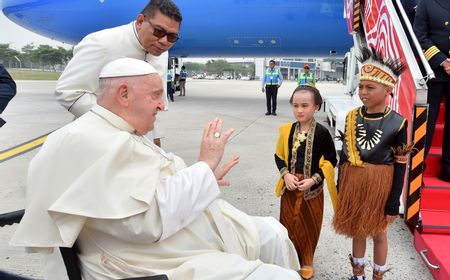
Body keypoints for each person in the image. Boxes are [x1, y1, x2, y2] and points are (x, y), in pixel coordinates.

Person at [11, 58, 301, 280]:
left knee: (273, 232)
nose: (163, 106)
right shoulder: (90, 141)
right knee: (281, 275)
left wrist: (203, 178)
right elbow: (145, 223)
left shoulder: (111, 130)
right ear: (123, 94)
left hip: (160, 242)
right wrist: (204, 167)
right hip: (140, 261)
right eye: (155, 95)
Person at [55, 0, 182, 147]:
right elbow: (68, 92)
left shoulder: (160, 51)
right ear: (140, 21)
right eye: (158, 31)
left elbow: (158, 97)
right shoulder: (102, 43)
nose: (164, 42)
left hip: (138, 140)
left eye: (172, 37)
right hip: (96, 136)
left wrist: (156, 138)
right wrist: (120, 122)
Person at [332, 47, 408, 280]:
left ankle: (378, 276)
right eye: (361, 86)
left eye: (370, 87)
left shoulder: (398, 123)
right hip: (354, 181)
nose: (363, 92)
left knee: (379, 233)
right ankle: (358, 275)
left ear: (387, 89)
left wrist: (393, 201)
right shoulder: (352, 117)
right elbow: (344, 156)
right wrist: (340, 185)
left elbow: (401, 164)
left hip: (381, 185)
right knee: (357, 229)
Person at [274, 85, 337, 279]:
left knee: (309, 225)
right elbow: (278, 156)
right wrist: (285, 175)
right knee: (288, 223)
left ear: (316, 107)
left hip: (311, 191)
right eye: (295, 106)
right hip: (291, 187)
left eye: (305, 105)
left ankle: (306, 260)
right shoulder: (287, 130)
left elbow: (332, 160)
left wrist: (313, 180)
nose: (299, 110)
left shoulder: (322, 133)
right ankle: (287, 257)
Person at [413, 0, 450, 182]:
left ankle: (448, 170)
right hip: (434, 71)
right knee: (427, 123)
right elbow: (420, 35)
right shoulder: (427, 3)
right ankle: (418, 168)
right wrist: (444, 61)